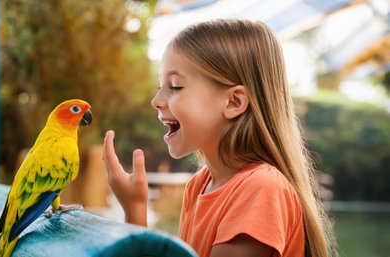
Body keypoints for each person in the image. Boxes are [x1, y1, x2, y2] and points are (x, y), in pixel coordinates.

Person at [102, 19, 336, 257]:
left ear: (233, 102)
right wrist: (135, 208)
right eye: (160, 86)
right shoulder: (200, 185)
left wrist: (135, 213)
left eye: (175, 86)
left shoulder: (261, 188)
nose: (156, 100)